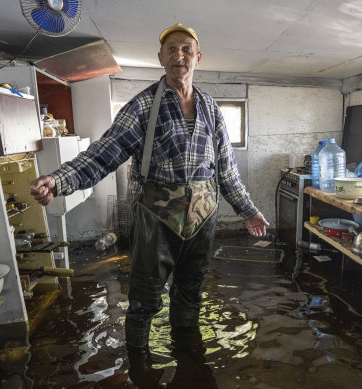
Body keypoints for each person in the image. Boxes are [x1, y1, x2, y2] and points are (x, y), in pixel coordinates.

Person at [30, 21, 268, 368]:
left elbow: (227, 172)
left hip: (204, 216)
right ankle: (139, 367)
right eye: (171, 49)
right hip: (156, 216)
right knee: (143, 299)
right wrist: (59, 180)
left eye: (186, 49)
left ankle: (188, 360)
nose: (179, 55)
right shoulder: (143, 106)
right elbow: (103, 153)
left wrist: (248, 211)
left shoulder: (212, 110)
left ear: (197, 57)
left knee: (190, 292)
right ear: (161, 58)